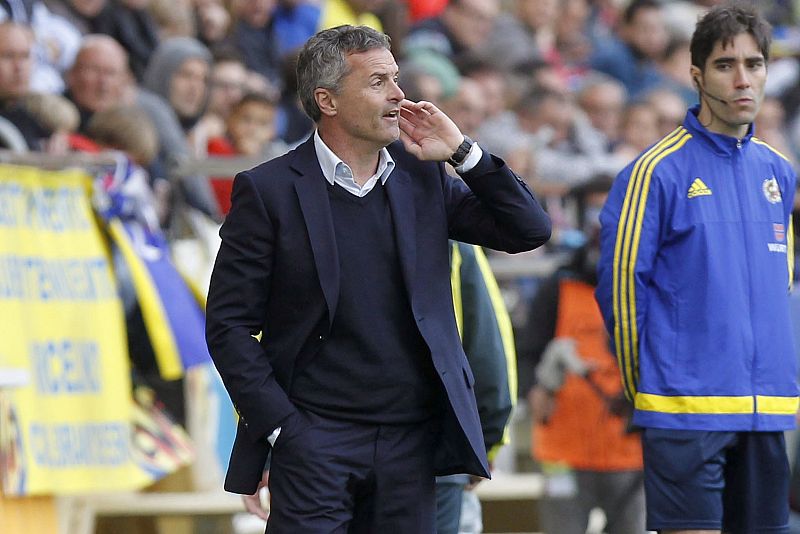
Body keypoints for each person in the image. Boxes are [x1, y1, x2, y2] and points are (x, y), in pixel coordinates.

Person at [205, 24, 550, 533]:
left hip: (411, 444)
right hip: (313, 441)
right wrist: (281, 428)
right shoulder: (267, 190)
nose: (398, 95)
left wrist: (463, 153)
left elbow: (528, 229)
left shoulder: (423, 176)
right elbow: (229, 326)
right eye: (377, 82)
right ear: (327, 100)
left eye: (396, 78)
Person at [595, 4, 798, 533]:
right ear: (697, 76)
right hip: (685, 411)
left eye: (754, 64)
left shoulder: (779, 171)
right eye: (726, 65)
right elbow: (621, 292)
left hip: (767, 410)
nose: (742, 79)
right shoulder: (654, 172)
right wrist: (652, 388)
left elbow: (782, 282)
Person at [519, 175, 645, 534]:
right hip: (563, 449)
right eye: (593, 210)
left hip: (630, 452)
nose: (601, 221)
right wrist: (533, 391)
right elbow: (527, 352)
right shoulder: (558, 284)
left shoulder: (645, 285)